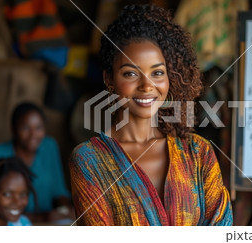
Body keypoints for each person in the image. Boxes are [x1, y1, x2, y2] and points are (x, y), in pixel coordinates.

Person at [69, 5, 233, 226]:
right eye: (131, 73)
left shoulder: (198, 153)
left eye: (157, 73)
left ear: (170, 77)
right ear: (109, 79)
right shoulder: (89, 161)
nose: (147, 86)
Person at [0, 102, 73, 222]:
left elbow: (59, 190)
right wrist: (42, 217)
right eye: (25, 128)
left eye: (38, 128)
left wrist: (64, 210)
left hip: (47, 222)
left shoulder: (49, 147)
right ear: (13, 129)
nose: (33, 135)